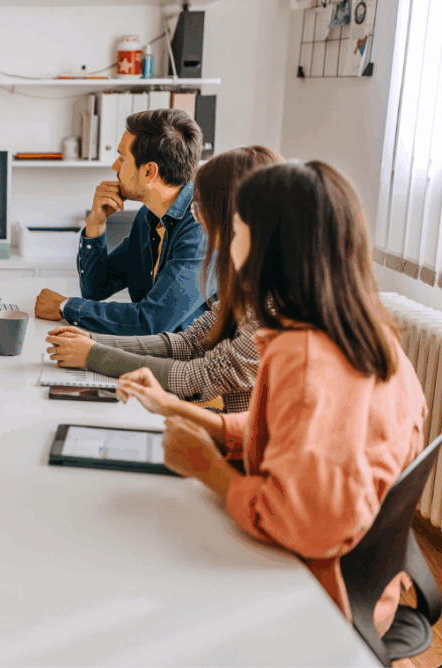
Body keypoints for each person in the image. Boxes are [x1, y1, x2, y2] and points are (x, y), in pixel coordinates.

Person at [117, 161, 427, 633]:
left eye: (237, 227)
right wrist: (189, 415)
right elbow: (302, 436)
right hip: (367, 584)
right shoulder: (369, 334)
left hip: (319, 596)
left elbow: (302, 523)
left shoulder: (302, 354)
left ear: (267, 246)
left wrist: (209, 469)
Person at [44, 146, 284, 413]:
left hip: (240, 439)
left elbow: (199, 374)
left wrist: (93, 354)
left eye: (209, 210)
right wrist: (91, 341)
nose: (203, 221)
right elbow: (190, 342)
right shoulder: (247, 285)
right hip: (224, 421)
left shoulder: (278, 307)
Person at [34, 108, 208, 335]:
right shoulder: (148, 216)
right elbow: (97, 289)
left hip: (186, 365)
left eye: (122, 158)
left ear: (149, 172)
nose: (115, 167)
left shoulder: (201, 227)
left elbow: (151, 321)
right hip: (150, 354)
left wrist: (64, 307)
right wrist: (95, 224)